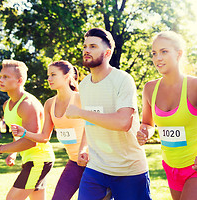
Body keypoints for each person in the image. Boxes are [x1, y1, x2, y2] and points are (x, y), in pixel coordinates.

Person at [65, 28, 152, 200]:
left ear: (107, 53)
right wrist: (84, 147)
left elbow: (123, 122)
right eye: (84, 46)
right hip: (96, 168)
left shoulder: (123, 80)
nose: (86, 50)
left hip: (129, 169)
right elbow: (91, 122)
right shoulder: (84, 85)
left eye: (92, 46)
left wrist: (81, 113)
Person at [136, 31, 197, 200]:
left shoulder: (196, 86)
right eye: (154, 53)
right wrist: (144, 132)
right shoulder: (150, 89)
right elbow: (148, 124)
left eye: (164, 52)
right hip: (170, 167)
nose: (158, 58)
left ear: (178, 54)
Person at [10, 60, 98, 200]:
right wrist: (25, 133)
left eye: (53, 75)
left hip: (95, 162)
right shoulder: (49, 104)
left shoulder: (81, 98)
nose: (49, 79)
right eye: (48, 75)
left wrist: (83, 149)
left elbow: (92, 124)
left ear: (66, 76)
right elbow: (45, 137)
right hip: (74, 162)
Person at [0, 60, 55, 200]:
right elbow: (18, 132)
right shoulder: (7, 105)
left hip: (39, 160)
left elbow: (32, 142)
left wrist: (0, 148)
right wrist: (13, 153)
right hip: (29, 160)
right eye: (0, 76)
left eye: (6, 77)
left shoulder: (27, 105)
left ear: (19, 81)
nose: (1, 80)